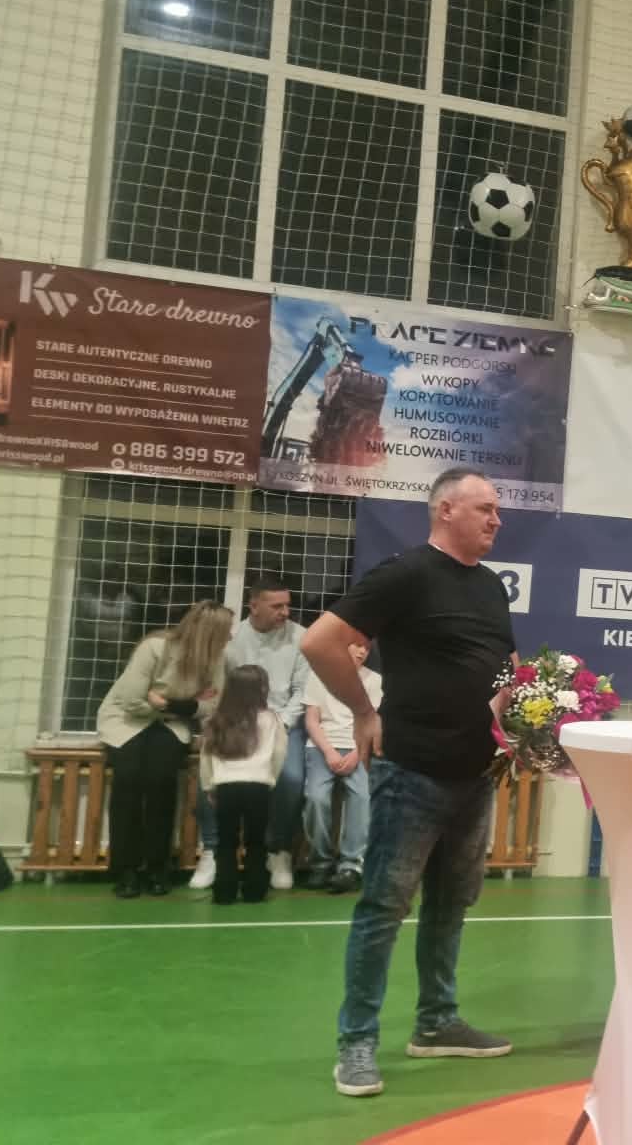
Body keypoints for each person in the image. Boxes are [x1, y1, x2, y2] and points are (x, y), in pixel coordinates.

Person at [302, 468, 516, 1098]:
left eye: (497, 510)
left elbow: (504, 667)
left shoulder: (491, 587)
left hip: (476, 773)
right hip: (412, 771)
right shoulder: (406, 573)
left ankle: (437, 1022)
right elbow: (320, 642)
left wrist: (522, 717)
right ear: (445, 510)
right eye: (485, 508)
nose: (496, 519)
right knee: (383, 908)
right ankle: (356, 1042)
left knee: (451, 904)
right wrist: (363, 712)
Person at [96, 600, 231, 898]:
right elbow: (131, 700)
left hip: (170, 724)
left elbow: (212, 704)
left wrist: (167, 704)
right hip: (126, 722)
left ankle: (157, 868)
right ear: (209, 632)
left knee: (161, 782)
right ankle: (126, 870)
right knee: (128, 781)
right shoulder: (154, 647)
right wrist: (188, 704)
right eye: (225, 632)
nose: (230, 637)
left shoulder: (215, 659)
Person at [192, 576, 310, 892]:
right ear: (254, 606)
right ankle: (212, 850)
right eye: (277, 606)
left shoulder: (302, 638)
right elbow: (214, 689)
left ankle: (277, 850)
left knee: (292, 778)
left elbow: (302, 691)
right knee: (209, 777)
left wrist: (281, 724)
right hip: (233, 721)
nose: (285, 612)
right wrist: (217, 723)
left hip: (280, 722)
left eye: (287, 605)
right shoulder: (230, 639)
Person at [301, 640, 382, 895]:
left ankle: (351, 865)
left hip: (358, 747)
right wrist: (329, 752)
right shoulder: (318, 674)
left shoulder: (374, 680)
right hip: (322, 747)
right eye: (356, 645)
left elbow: (374, 723)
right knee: (315, 797)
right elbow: (311, 720)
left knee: (363, 797)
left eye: (366, 648)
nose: (362, 651)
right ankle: (320, 862)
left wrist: (358, 753)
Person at [200, 665, 282, 905]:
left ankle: (224, 891)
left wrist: (209, 787)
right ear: (261, 689)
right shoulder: (271, 719)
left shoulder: (216, 719)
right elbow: (279, 753)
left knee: (226, 839)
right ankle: (255, 890)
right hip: (258, 785)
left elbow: (206, 756)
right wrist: (271, 779)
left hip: (225, 786)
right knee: (256, 840)